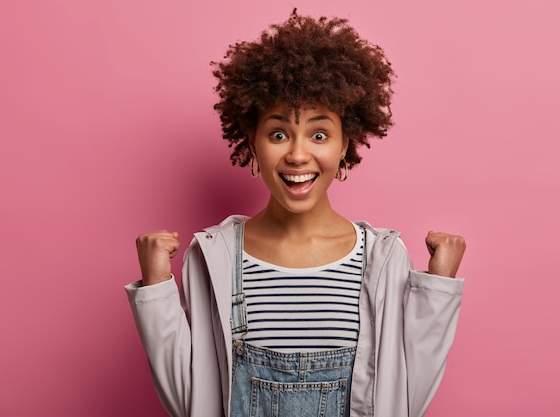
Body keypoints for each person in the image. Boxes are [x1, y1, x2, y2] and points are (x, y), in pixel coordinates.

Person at [125, 10, 466, 417]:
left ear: (345, 145)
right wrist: (156, 287)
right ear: (252, 141)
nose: (298, 154)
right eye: (279, 133)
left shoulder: (380, 258)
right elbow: (190, 402)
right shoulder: (214, 257)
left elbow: (406, 399)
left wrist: (439, 287)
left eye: (319, 134)